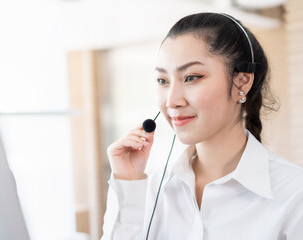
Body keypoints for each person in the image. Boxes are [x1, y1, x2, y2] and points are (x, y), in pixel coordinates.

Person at [101, 12, 303, 240]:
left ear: (242, 82)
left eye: (191, 77)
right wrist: (127, 182)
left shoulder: (294, 194)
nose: (171, 101)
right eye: (163, 81)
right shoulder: (154, 186)